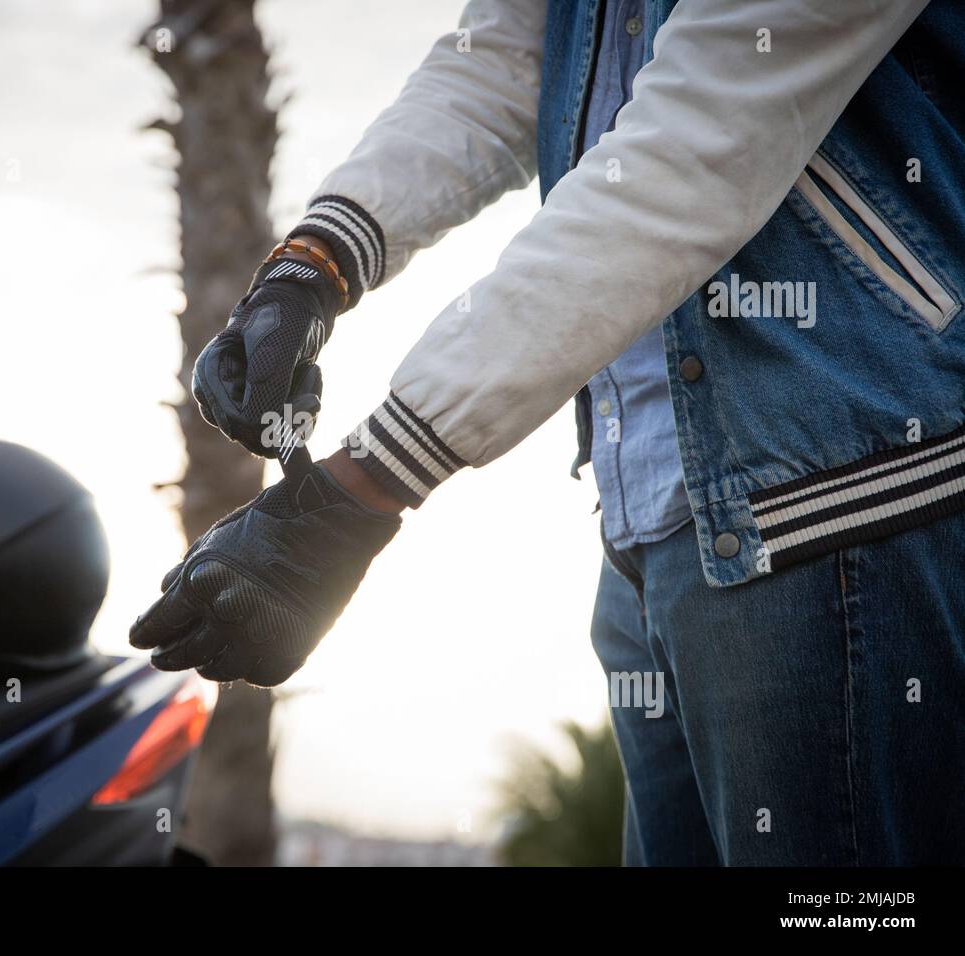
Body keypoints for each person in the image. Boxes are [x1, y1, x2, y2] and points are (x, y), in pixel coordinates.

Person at [131, 0, 965, 865]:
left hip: (837, 501)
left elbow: (695, 148)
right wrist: (310, 269)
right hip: (644, 513)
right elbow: (496, 62)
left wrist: (357, 491)